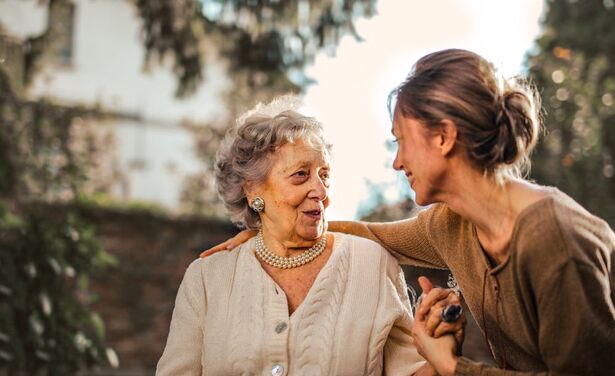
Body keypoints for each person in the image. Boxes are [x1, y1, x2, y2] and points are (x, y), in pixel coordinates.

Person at [202, 50, 615, 375]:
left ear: (443, 137)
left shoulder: (555, 239)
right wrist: (272, 231)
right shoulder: (452, 224)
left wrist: (452, 366)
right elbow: (372, 234)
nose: (397, 162)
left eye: (401, 140)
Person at [157, 96, 458, 375]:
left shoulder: (372, 264)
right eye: (301, 174)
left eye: (324, 175)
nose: (321, 191)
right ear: (253, 190)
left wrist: (440, 352)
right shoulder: (207, 278)